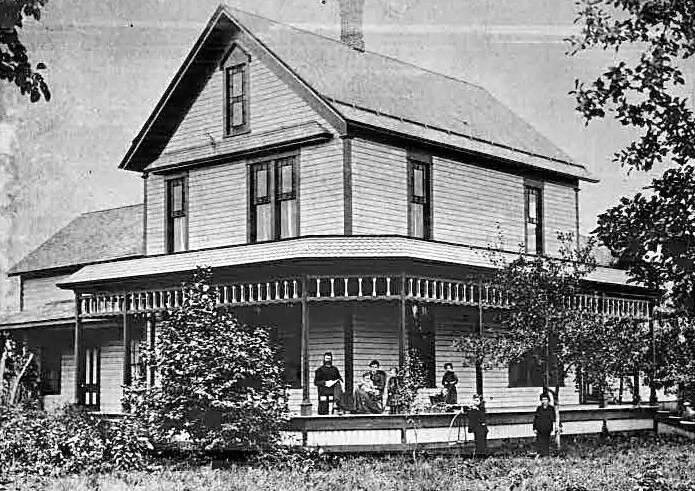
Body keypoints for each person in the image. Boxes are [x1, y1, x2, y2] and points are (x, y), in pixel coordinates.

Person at [533, 392, 556, 457]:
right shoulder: (539, 408)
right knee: (539, 441)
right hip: (539, 428)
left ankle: (545, 455)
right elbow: (535, 418)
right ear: (541, 400)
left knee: (546, 441)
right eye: (543, 399)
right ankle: (539, 454)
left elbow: (555, 418)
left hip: (547, 428)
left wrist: (558, 426)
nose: (544, 401)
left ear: (548, 400)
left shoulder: (551, 408)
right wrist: (534, 428)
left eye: (545, 399)